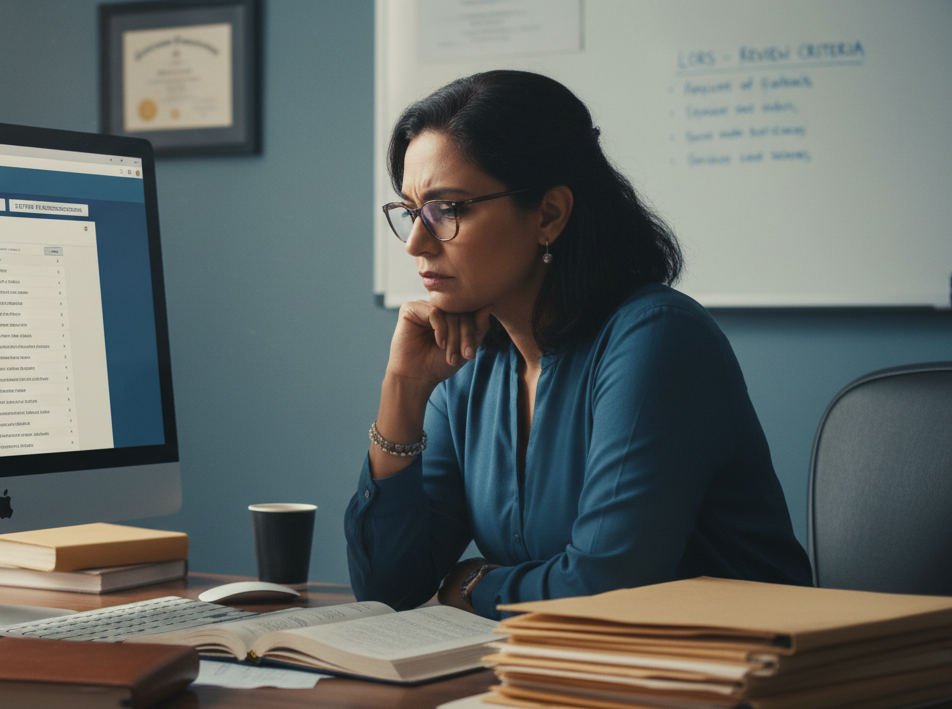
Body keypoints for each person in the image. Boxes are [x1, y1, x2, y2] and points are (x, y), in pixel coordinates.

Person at [346, 71, 812, 619]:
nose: (417, 244)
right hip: (564, 678)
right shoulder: (472, 362)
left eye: (448, 209)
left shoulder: (657, 340)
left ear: (549, 213)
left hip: (736, 677)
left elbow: (605, 587)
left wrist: (471, 586)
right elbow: (388, 588)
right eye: (409, 212)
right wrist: (404, 389)